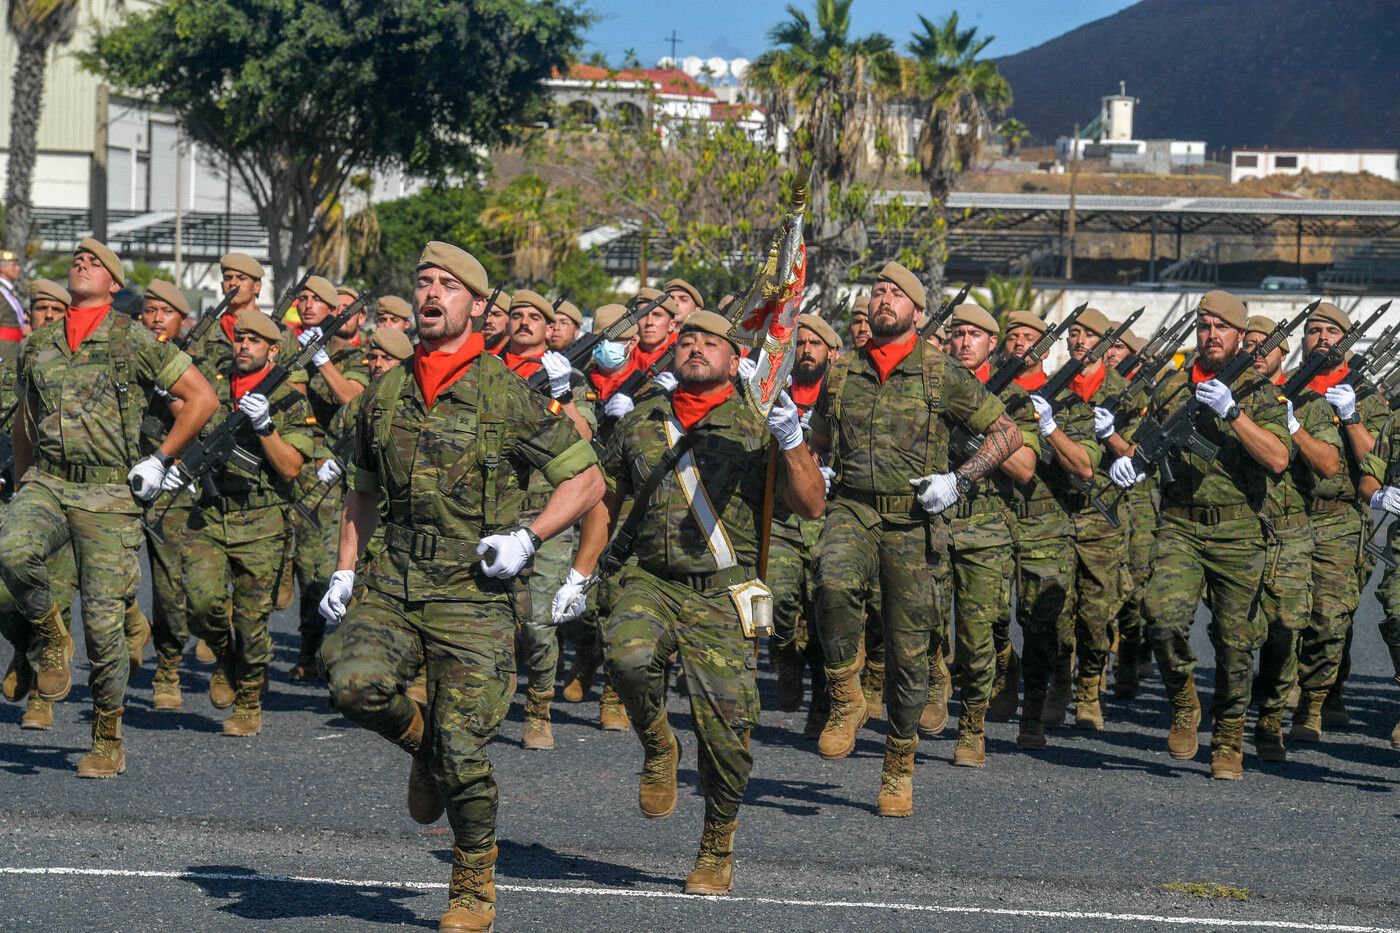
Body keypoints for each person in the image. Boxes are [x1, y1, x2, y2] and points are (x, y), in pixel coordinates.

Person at [317, 241, 603, 932]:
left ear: (477, 305)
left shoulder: (508, 393)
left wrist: (530, 538)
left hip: (473, 590)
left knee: (466, 747)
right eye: (423, 282)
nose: (431, 294)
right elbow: (361, 490)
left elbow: (587, 478)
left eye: (447, 285)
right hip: (394, 578)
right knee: (351, 682)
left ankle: (473, 876)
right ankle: (423, 746)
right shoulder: (381, 392)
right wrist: (346, 567)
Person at [562, 308, 824, 894]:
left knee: (728, 734)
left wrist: (792, 438)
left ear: (736, 359)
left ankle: (717, 841)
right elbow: (605, 496)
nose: (696, 348)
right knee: (626, 658)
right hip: (650, 577)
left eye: (713, 342)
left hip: (725, 590)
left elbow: (810, 506)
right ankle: (659, 743)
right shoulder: (643, 420)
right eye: (687, 340)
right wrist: (581, 572)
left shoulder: (759, 421)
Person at [807, 261, 1022, 815]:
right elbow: (822, 438)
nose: (883, 298)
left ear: (918, 313)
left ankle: (898, 764)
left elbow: (1007, 433)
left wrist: (961, 480)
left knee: (909, 658)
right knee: (829, 584)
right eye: (877, 291)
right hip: (852, 508)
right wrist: (817, 463)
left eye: (895, 294)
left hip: (911, 525)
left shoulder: (940, 372)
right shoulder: (842, 370)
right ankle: (845, 696)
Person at [0, 238, 218, 777]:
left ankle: (106, 736)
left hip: (108, 491)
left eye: (95, 261)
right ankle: (51, 635)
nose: (82, 262)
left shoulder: (133, 338)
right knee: (11, 550)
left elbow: (203, 399)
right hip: (48, 482)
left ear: (115, 284)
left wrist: (163, 459)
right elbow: (26, 422)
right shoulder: (41, 342)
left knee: (103, 626)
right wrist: (24, 481)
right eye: (77, 258)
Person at [1109, 289, 1289, 779]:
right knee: (1160, 620)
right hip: (1181, 525)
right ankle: (1184, 700)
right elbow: (1147, 447)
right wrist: (1130, 467)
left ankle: (1229, 736)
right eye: (1204, 326)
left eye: (1221, 328)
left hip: (1238, 532)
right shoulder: (1171, 388)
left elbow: (1277, 457)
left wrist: (1234, 412)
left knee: (1236, 643)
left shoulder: (1260, 393)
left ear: (1238, 336)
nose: (1211, 335)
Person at [173, 309, 314, 735]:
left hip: (262, 521)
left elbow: (291, 469)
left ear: (273, 350)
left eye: (254, 341)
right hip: (211, 512)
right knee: (199, 605)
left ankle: (249, 700)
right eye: (240, 339)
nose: (243, 347)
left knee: (251, 622)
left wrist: (265, 426)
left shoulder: (290, 399)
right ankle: (224, 656)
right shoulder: (212, 388)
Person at [941, 303, 1041, 763]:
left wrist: (978, 442)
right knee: (922, 625)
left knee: (978, 631)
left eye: (974, 335)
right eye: (957, 334)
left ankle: (972, 726)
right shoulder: (930, 389)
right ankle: (933, 689)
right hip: (932, 523)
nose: (964, 343)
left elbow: (1024, 468)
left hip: (986, 529)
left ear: (991, 344)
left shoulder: (1015, 398)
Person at [999, 310, 1098, 748]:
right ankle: (1005, 667)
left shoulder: (1069, 403)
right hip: (995, 518)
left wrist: (1051, 428)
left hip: (1047, 522)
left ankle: (1034, 707)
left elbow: (1085, 467)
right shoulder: (989, 395)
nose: (1020, 344)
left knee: (1041, 623)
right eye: (1012, 337)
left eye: (1029, 337)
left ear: (1046, 347)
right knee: (988, 618)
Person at [1242, 314, 1339, 761]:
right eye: (1250, 343)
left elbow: (1328, 466)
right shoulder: (1231, 396)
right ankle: (1233, 708)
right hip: (1239, 529)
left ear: (1284, 353)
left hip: (1290, 531)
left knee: (1285, 630)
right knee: (1237, 629)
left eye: (1266, 346)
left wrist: (1292, 425)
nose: (1256, 352)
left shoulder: (1310, 404)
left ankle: (1271, 717)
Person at [1292, 302, 1389, 737]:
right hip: (1288, 516)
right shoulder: (1286, 388)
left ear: (1346, 342)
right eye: (1314, 330)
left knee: (1332, 614)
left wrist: (1351, 416)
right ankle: (1291, 687)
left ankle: (1318, 700)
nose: (1322, 338)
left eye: (1332, 331)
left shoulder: (1367, 396)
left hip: (1342, 517)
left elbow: (1380, 461)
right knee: (1288, 613)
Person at [1054, 308, 1134, 730]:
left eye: (1089, 335)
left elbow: (1145, 456)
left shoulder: (1127, 392)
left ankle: (1089, 688)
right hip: (1056, 512)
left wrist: (1114, 439)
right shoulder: (1055, 388)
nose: (1079, 341)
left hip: (1102, 517)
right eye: (1074, 334)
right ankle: (1059, 685)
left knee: (1096, 613)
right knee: (1053, 609)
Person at [769, 313, 839, 736]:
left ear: (831, 352)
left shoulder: (842, 393)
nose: (807, 350)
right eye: (801, 343)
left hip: (830, 521)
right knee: (777, 602)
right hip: (783, 518)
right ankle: (786, 657)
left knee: (824, 617)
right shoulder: (776, 393)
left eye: (815, 344)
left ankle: (822, 703)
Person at [136, 279, 198, 710]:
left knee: (168, 584)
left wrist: (169, 396)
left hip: (170, 481)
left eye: (166, 313)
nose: (156, 320)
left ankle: (168, 670)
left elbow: (204, 419)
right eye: (150, 311)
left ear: (181, 320)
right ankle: (129, 628)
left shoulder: (190, 363)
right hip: (120, 474)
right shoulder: (126, 356)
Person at [0, 248, 27, 353]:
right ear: (2, 268)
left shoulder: (8, 291)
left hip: (11, 349)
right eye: (14, 265)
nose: (18, 268)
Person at [481, 289, 511, 356]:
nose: (487, 320)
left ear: (510, 320)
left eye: (496, 315)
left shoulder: (512, 357)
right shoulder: (471, 350)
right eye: (484, 314)